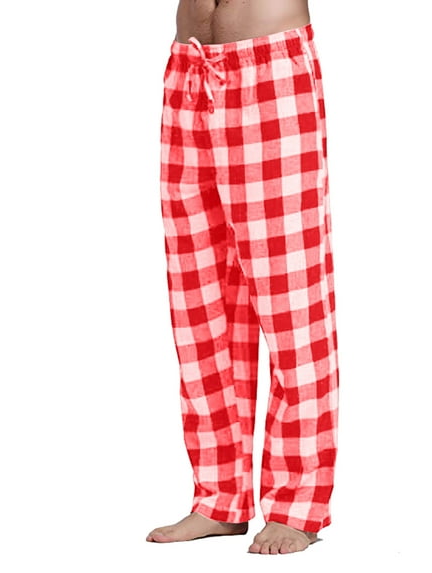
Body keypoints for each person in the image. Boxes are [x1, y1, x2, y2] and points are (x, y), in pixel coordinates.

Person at [146, 0, 340, 555]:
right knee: (199, 300)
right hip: (187, 69)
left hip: (270, 68)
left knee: (291, 301)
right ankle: (219, 498)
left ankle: (297, 506)